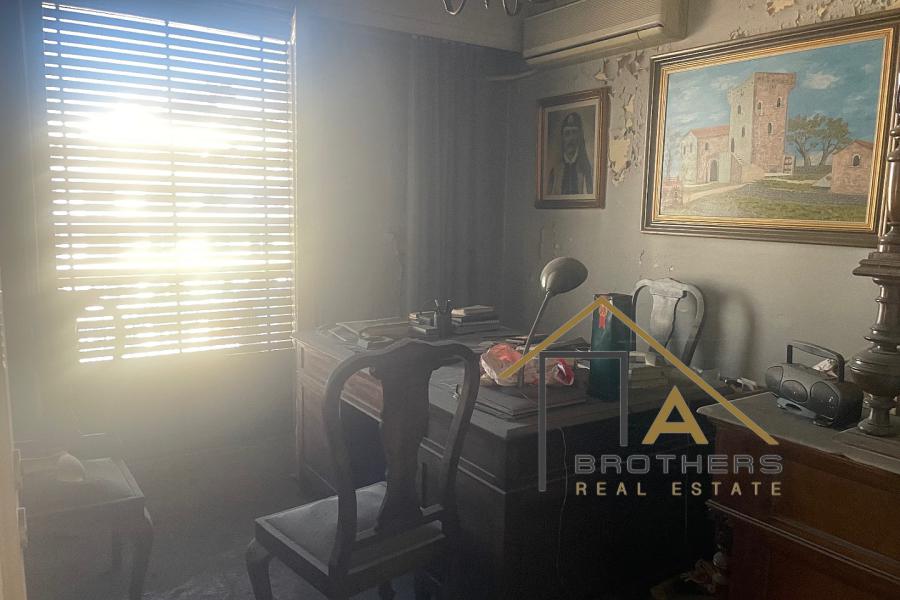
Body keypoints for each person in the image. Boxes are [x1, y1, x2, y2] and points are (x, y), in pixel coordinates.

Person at [547, 111, 593, 195]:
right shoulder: (555, 171)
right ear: (562, 138)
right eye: (567, 133)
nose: (571, 138)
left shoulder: (586, 170)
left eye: (574, 133)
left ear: (579, 136)